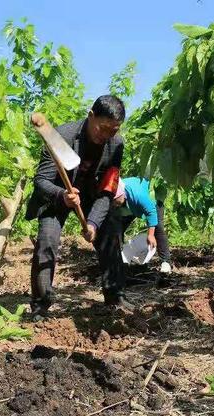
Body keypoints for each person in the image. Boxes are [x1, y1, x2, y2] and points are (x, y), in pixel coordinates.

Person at [25, 95, 131, 321]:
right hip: (57, 192)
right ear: (91, 116)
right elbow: (41, 181)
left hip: (91, 193)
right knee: (47, 240)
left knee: (110, 233)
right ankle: (40, 306)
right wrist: (62, 196)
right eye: (102, 129)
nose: (106, 136)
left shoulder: (116, 145)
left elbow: (107, 189)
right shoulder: (60, 138)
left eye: (113, 130)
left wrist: (92, 223)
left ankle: (115, 296)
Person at [113, 177, 173, 273]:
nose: (113, 202)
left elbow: (151, 212)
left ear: (121, 194)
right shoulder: (115, 197)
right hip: (130, 205)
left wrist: (150, 235)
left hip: (153, 199)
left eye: (115, 199)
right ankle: (119, 259)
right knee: (118, 228)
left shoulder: (138, 195)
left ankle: (166, 262)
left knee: (158, 227)